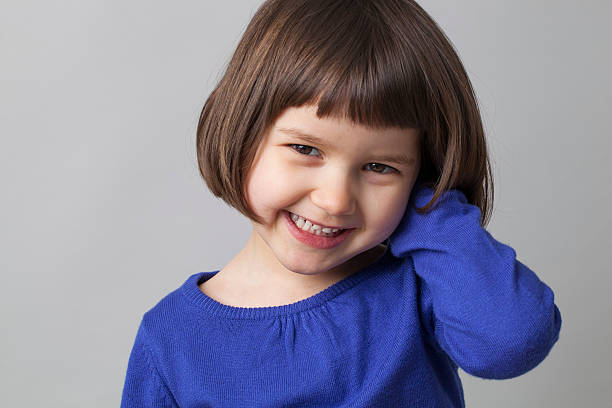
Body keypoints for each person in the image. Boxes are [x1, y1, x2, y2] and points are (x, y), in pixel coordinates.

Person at [120, 0, 562, 406]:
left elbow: (511, 343)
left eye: (380, 167)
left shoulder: (419, 289)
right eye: (306, 149)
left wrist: (429, 211)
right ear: (241, 130)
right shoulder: (171, 339)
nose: (334, 200)